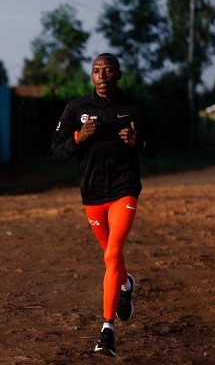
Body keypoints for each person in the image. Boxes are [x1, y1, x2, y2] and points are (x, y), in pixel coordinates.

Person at [51, 53, 160, 357]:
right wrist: (78, 137)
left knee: (113, 254)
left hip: (124, 190)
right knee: (112, 258)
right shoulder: (76, 109)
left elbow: (156, 147)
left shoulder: (134, 108)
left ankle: (107, 331)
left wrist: (140, 142)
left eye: (108, 70)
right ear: (91, 75)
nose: (102, 75)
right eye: (96, 70)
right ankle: (125, 285)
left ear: (118, 75)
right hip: (92, 195)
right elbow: (56, 150)